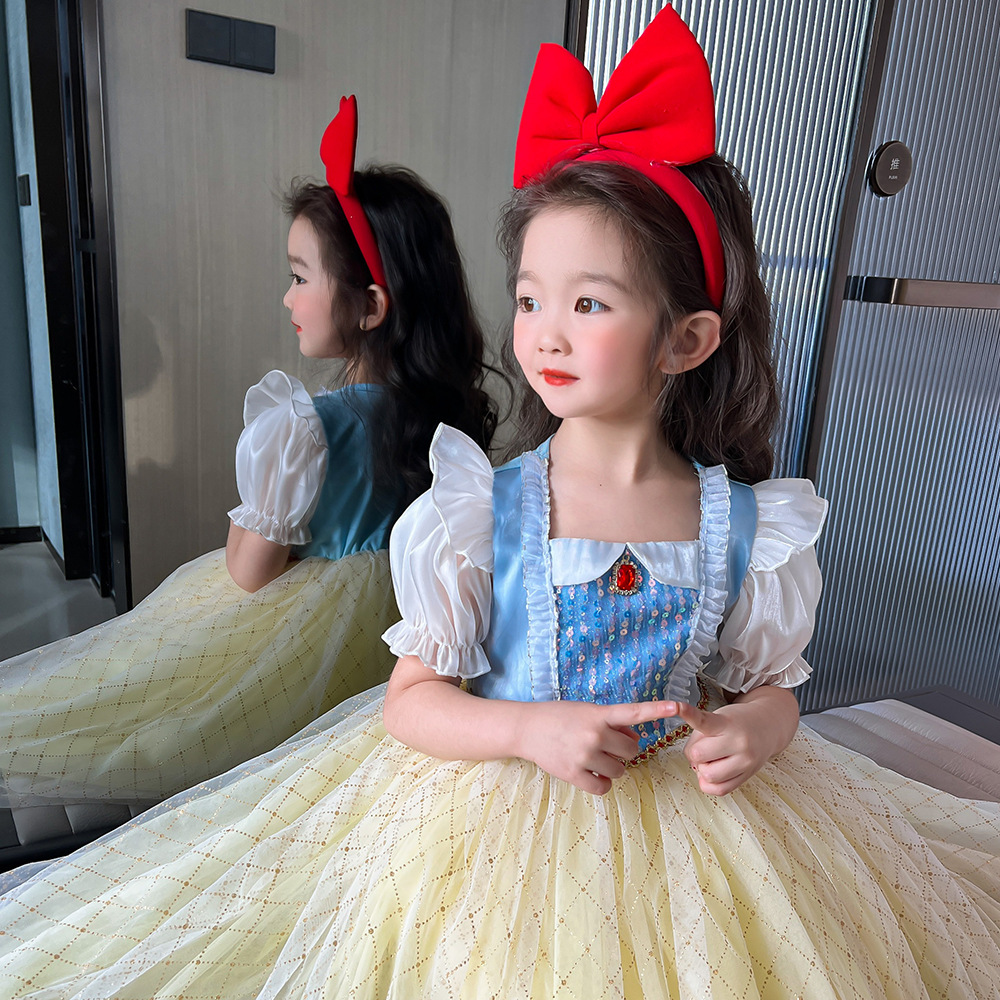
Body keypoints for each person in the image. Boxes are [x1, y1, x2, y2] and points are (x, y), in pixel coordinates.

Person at [1, 11, 998, 998]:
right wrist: (529, 731)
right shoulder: (482, 512)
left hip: (697, 836)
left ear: (685, 339)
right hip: (501, 816)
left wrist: (763, 729)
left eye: (589, 303)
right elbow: (410, 703)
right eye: (529, 299)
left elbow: (765, 687)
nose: (546, 333)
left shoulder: (747, 525)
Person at [0, 96, 498, 808]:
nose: (287, 298)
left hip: (294, 636)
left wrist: (257, 513)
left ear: (370, 305)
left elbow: (250, 570)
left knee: (156, 709)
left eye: (299, 277)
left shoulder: (304, 428)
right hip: (393, 635)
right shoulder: (446, 420)